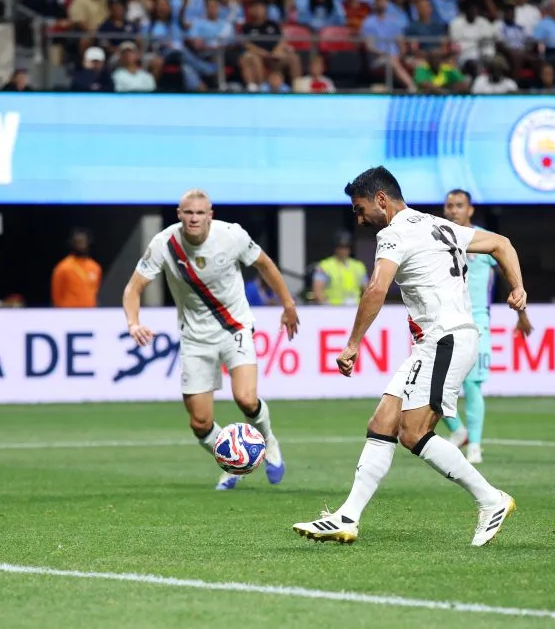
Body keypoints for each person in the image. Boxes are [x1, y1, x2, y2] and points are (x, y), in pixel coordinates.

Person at [292, 167, 525, 547]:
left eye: (360, 207)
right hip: (435, 342)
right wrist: (518, 288)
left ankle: (491, 499)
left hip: (444, 340)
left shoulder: (394, 233)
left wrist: (352, 344)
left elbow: (377, 288)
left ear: (381, 199)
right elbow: (502, 243)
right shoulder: (440, 225)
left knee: (413, 433)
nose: (359, 216)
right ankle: (347, 517)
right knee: (383, 421)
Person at [123, 190, 299, 490]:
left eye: (200, 213)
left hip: (236, 328)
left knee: (245, 398)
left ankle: (268, 441)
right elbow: (133, 288)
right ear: (179, 214)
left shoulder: (232, 236)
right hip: (195, 339)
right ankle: (233, 461)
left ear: (210, 214)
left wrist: (288, 305)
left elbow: (266, 265)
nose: (194, 218)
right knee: (200, 423)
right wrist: (133, 322)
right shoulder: (164, 244)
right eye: (188, 213)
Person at [441, 190, 532, 464]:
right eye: (449, 206)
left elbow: (507, 271)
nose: (454, 210)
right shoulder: (439, 236)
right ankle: (459, 431)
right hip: (445, 319)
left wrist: (521, 312)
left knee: (472, 384)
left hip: (478, 318)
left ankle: (475, 446)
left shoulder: (484, 239)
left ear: (470, 210)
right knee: (435, 385)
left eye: (459, 206)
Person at [311, 231, 368, 305]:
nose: (343, 250)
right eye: (340, 247)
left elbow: (367, 290)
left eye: (346, 247)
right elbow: (317, 291)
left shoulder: (358, 266)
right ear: (335, 248)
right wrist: (327, 307)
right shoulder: (324, 266)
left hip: (355, 309)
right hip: (334, 310)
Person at [51, 229, 102, 308]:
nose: (81, 245)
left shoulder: (95, 268)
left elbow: (95, 291)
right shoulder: (63, 268)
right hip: (69, 313)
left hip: (90, 313)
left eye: (83, 242)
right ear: (72, 244)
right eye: (78, 242)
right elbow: (56, 296)